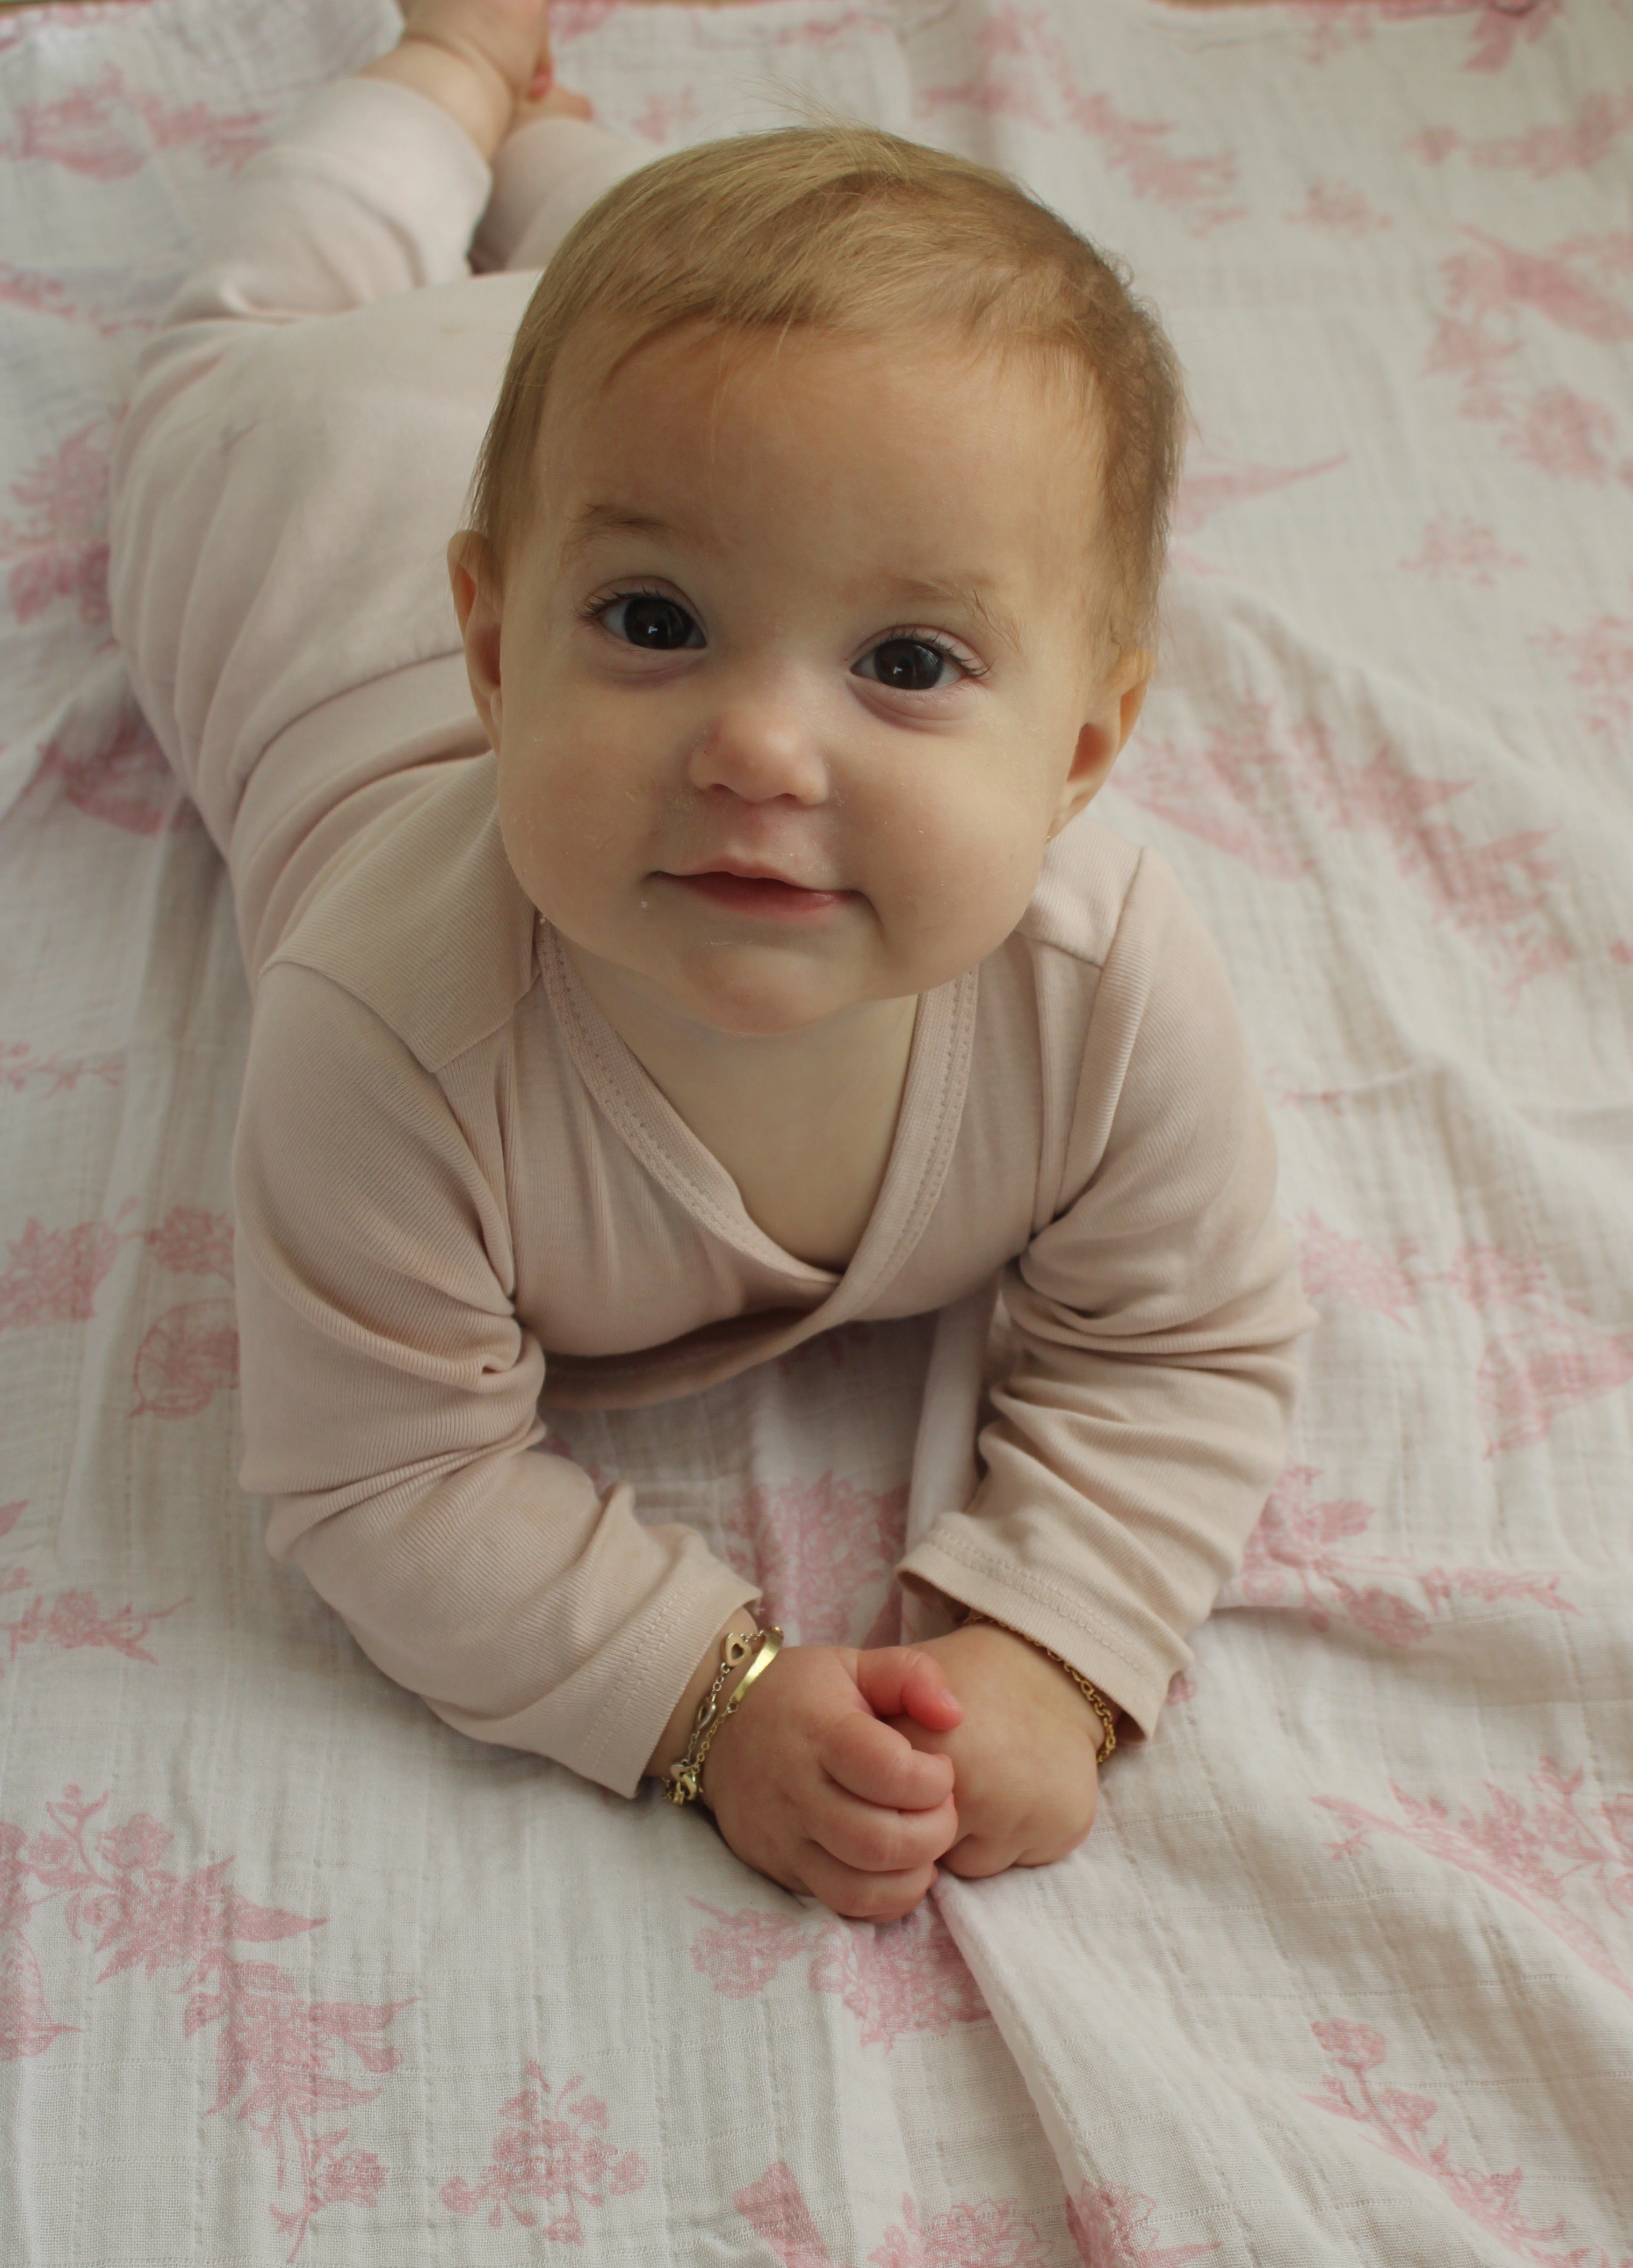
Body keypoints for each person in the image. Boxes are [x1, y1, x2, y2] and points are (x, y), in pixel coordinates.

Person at [108, 0, 1313, 1925]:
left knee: (659, 295)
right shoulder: (391, 1031)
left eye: (907, 664)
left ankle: (558, 137)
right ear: (498, 656)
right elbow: (384, 1476)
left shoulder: (1099, 984)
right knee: (233, 339)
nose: (760, 750)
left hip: (626, 398)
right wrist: (709, 1698)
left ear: (1085, 752)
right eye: (652, 625)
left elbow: (1181, 1338)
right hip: (309, 476)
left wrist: (1061, 1645)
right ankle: (445, 76)